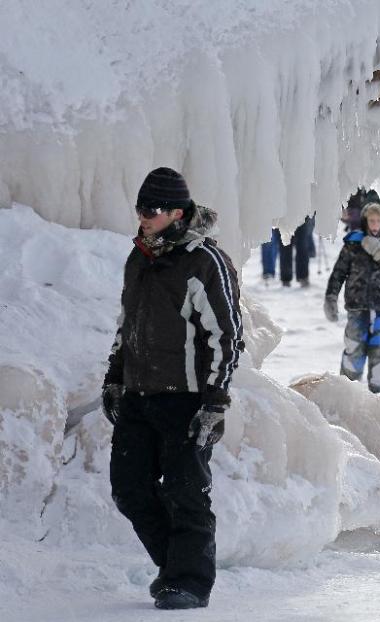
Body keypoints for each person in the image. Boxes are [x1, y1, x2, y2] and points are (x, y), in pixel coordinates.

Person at [102, 167, 243, 610]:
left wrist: (214, 402)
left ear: (177, 213)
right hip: (140, 395)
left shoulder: (204, 261)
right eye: (140, 208)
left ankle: (190, 582)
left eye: (152, 209)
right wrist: (114, 377)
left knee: (186, 492)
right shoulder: (139, 257)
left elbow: (226, 335)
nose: (143, 216)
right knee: (129, 488)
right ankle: (175, 567)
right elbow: (128, 325)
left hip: (186, 398)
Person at [325, 202, 380, 392]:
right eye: (371, 220)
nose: (375, 225)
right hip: (356, 305)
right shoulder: (352, 244)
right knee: (354, 346)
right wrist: (331, 297)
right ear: (364, 221)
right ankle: (347, 390)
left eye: (378, 221)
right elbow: (339, 273)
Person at [279, 215, 314, 287]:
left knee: (302, 247)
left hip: (302, 215)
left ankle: (303, 277)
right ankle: (286, 279)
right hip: (284, 216)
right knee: (285, 247)